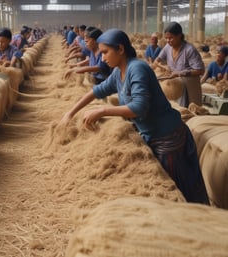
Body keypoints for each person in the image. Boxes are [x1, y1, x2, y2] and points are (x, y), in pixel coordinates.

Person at [61, 28, 209, 205]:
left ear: (120, 49)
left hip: (168, 138)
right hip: (150, 135)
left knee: (178, 192)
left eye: (105, 52)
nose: (102, 58)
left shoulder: (137, 68)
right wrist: (70, 113)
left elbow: (139, 107)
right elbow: (95, 91)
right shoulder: (118, 72)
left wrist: (102, 110)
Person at [153, 21, 205, 107]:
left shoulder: (189, 50)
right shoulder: (167, 47)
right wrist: (161, 65)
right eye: (166, 38)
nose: (168, 41)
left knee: (191, 109)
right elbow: (157, 60)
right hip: (175, 82)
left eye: (171, 38)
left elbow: (200, 70)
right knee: (173, 107)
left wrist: (180, 73)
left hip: (189, 83)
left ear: (179, 36)